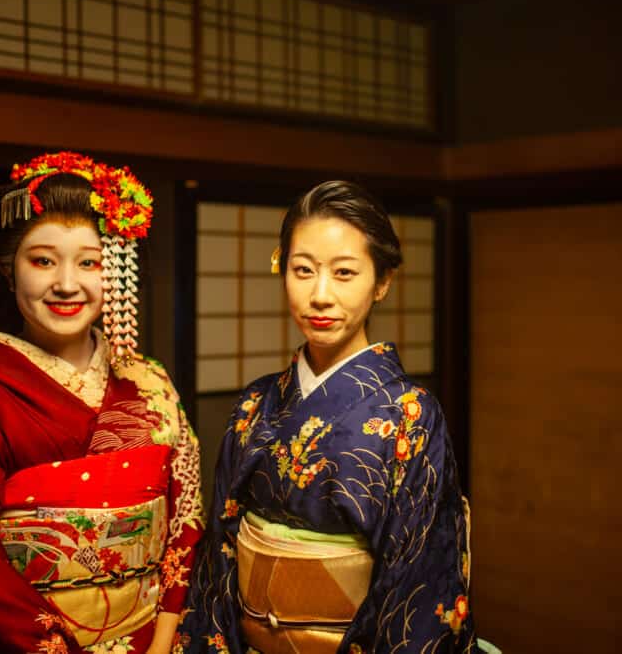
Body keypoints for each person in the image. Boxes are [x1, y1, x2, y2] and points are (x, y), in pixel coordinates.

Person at [0, 152, 204, 653]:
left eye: (89, 262)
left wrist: (163, 638)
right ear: (9, 272)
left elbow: (186, 519)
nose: (67, 284)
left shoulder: (150, 383)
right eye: (43, 260)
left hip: (151, 639)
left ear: (113, 272)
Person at [176, 181, 476, 653]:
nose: (319, 295)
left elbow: (419, 586)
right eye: (302, 270)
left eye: (344, 273)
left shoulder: (410, 416)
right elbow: (219, 561)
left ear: (382, 282)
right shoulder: (256, 404)